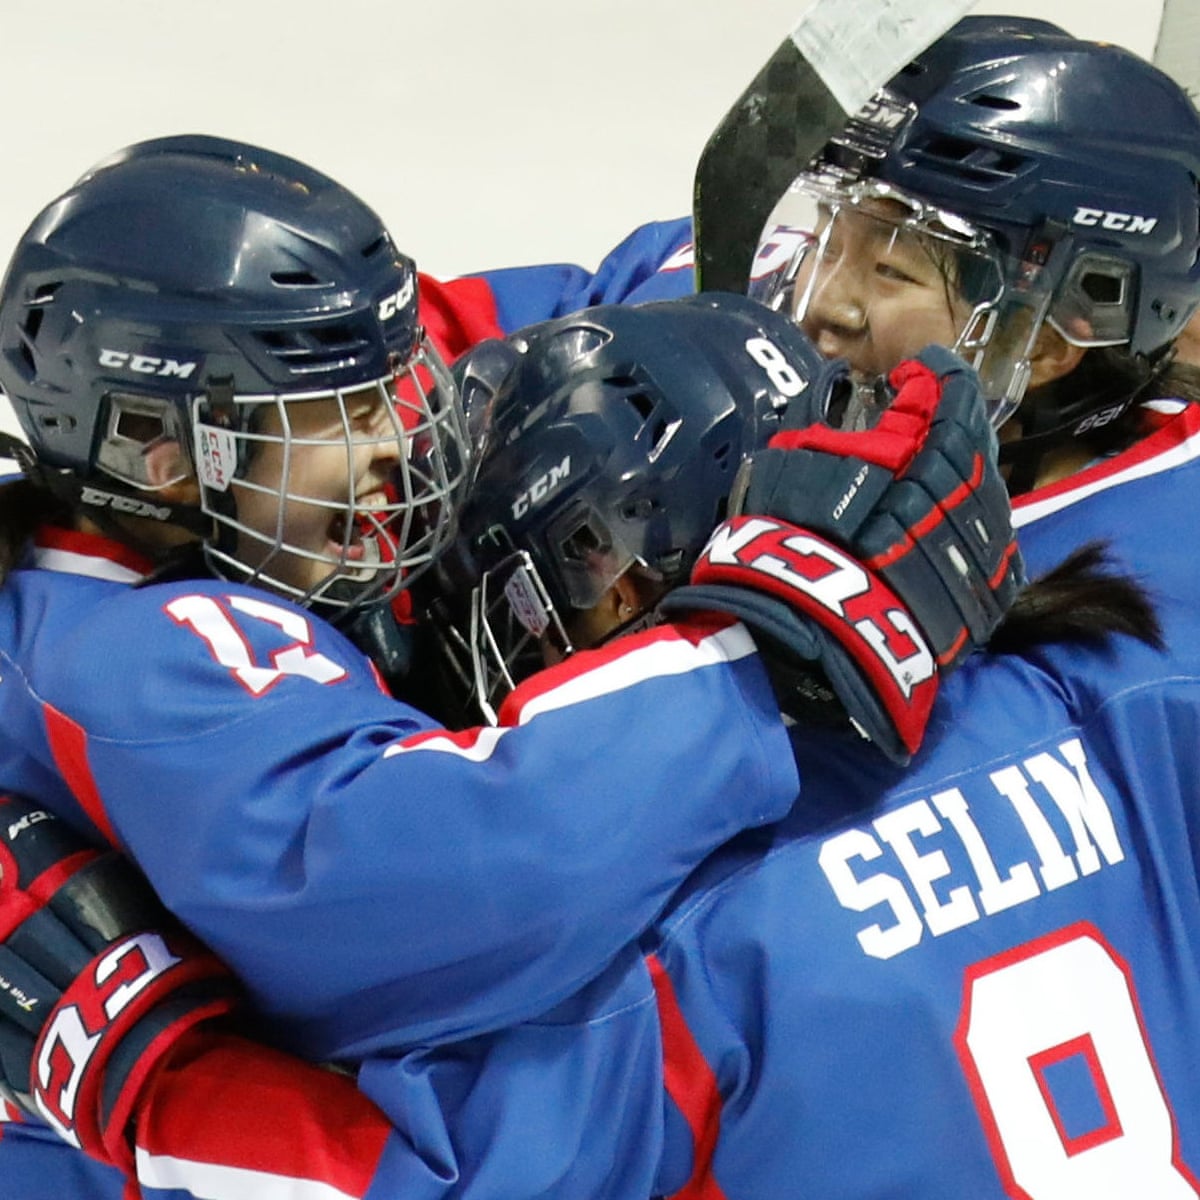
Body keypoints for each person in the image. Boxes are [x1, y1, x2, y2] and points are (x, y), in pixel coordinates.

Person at [0, 135, 1017, 1194]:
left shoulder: (148, 562)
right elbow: (461, 874)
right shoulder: (142, 657)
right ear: (165, 458)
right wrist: (772, 633)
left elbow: (569, 308)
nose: (400, 436)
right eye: (348, 413)